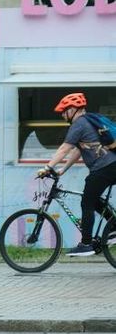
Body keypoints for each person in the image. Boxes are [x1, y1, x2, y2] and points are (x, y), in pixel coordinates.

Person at [37, 92, 116, 257]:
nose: (63, 115)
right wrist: (61, 170)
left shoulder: (79, 124)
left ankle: (86, 244)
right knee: (92, 200)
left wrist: (47, 167)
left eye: (64, 111)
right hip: (110, 167)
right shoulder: (88, 121)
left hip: (105, 168)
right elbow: (77, 151)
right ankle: (113, 227)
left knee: (86, 201)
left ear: (73, 109)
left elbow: (64, 149)